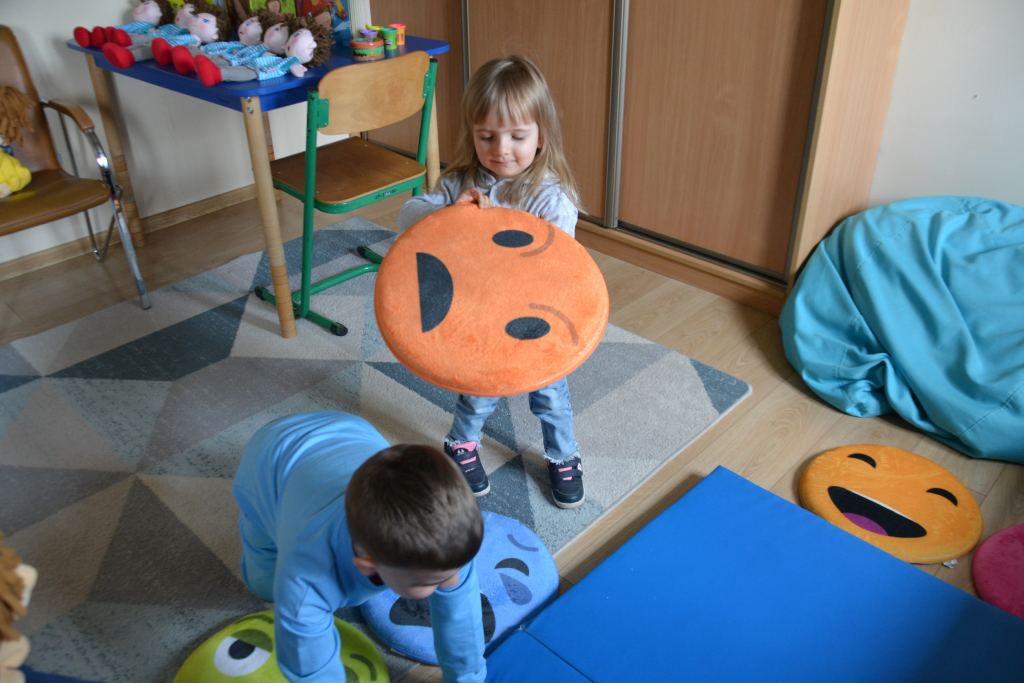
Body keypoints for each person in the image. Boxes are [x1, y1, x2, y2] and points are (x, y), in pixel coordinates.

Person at [398, 54, 585, 510]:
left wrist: (495, 226)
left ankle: (562, 456)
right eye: (487, 136)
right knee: (479, 388)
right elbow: (407, 217)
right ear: (472, 134)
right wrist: (451, 213)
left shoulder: (551, 198)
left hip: (536, 316)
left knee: (551, 394)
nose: (501, 148)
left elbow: (557, 266)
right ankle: (461, 445)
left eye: (517, 136)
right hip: (481, 312)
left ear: (541, 135)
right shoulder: (460, 182)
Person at [232, 411, 486, 682]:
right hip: (267, 459)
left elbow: (463, 621)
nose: (451, 580)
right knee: (265, 584)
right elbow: (311, 669)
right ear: (367, 566)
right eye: (434, 580)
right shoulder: (306, 579)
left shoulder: (448, 536)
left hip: (348, 429)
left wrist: (467, 678)